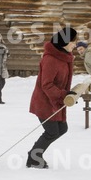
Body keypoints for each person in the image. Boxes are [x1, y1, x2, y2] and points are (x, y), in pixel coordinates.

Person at [26, 26, 77, 169]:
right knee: (52, 131)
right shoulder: (51, 59)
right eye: (73, 41)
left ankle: (34, 155)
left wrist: (69, 95)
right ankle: (33, 157)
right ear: (64, 42)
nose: (75, 44)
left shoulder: (64, 57)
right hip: (44, 102)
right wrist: (64, 95)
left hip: (55, 101)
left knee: (62, 129)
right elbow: (46, 85)